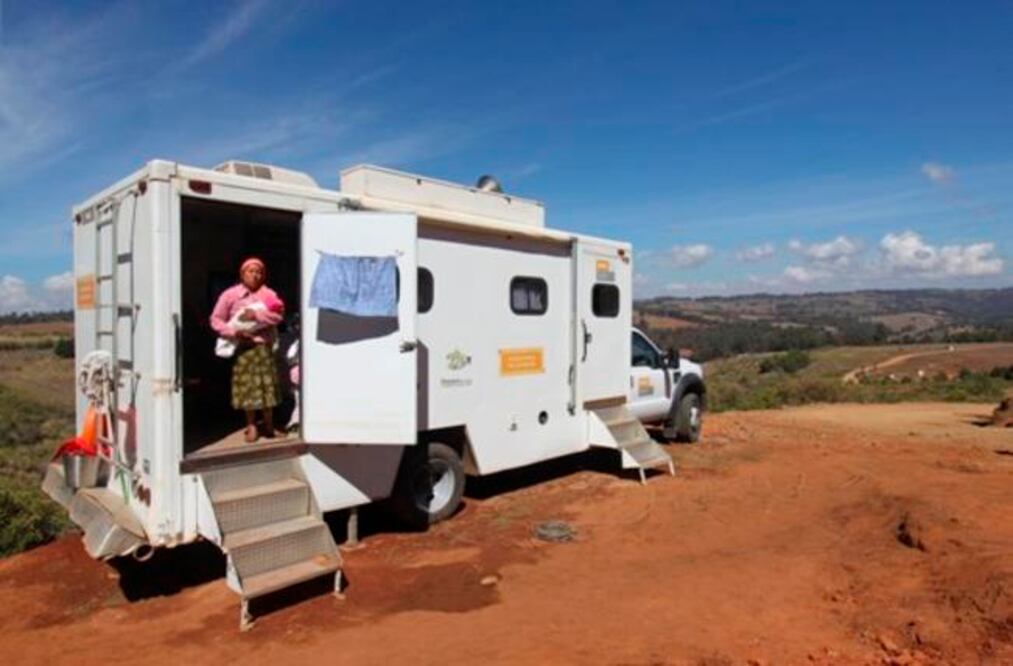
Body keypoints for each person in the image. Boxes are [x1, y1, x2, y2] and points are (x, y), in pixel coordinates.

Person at [210, 257, 285, 443]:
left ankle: (268, 425)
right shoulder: (230, 295)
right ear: (242, 274)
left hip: (264, 347)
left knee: (267, 387)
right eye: (251, 271)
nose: (255, 275)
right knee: (248, 389)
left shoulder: (268, 294)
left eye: (259, 272)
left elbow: (278, 315)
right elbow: (216, 320)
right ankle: (251, 426)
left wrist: (257, 314)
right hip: (244, 349)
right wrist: (235, 332)